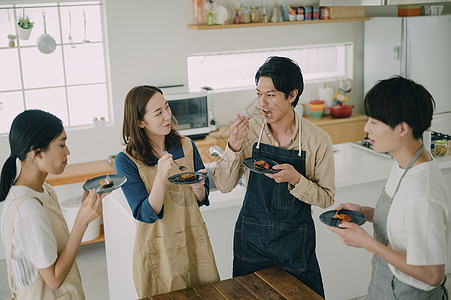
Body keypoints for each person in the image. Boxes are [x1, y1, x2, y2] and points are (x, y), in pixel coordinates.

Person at [213, 56, 335, 298]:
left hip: (295, 243)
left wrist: (297, 180)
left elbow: (326, 198)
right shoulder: (249, 132)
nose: (262, 103)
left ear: (292, 95)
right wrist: (233, 145)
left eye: (270, 95)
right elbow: (224, 186)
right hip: (252, 240)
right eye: (259, 93)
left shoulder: (317, 140)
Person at [329, 76, 450, 299]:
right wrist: (364, 213)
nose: (366, 128)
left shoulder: (423, 191)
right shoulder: (402, 163)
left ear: (402, 128)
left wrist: (367, 243)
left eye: (375, 122)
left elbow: (432, 274)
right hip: (384, 283)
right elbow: (405, 222)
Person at [115, 85, 219, 298]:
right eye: (158, 112)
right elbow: (145, 213)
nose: (167, 116)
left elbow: (201, 198)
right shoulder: (126, 160)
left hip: (193, 240)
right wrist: (161, 176)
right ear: (140, 122)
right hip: (159, 250)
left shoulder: (187, 145)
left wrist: (199, 188)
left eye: (167, 107)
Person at [0, 109, 103, 299]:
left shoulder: (44, 189)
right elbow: (54, 279)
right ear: (36, 152)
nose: (68, 151)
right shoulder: (28, 209)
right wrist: (82, 222)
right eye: (62, 144)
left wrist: (83, 210)